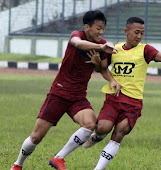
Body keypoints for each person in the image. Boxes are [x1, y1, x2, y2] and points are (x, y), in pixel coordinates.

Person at [10, 10, 121, 170]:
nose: (101, 32)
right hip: (59, 94)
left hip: (78, 97)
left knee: (89, 124)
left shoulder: (102, 45)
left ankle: (58, 158)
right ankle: (17, 165)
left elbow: (102, 69)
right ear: (87, 27)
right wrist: (100, 47)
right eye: (98, 28)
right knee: (36, 137)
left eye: (103, 28)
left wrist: (110, 78)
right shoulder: (78, 35)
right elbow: (77, 43)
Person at [82, 17, 161, 170]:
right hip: (113, 99)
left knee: (119, 133)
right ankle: (97, 137)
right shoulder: (114, 49)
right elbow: (102, 69)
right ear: (127, 31)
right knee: (103, 128)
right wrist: (98, 64)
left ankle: (98, 169)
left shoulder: (146, 49)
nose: (139, 36)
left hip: (133, 103)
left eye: (142, 33)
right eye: (136, 32)